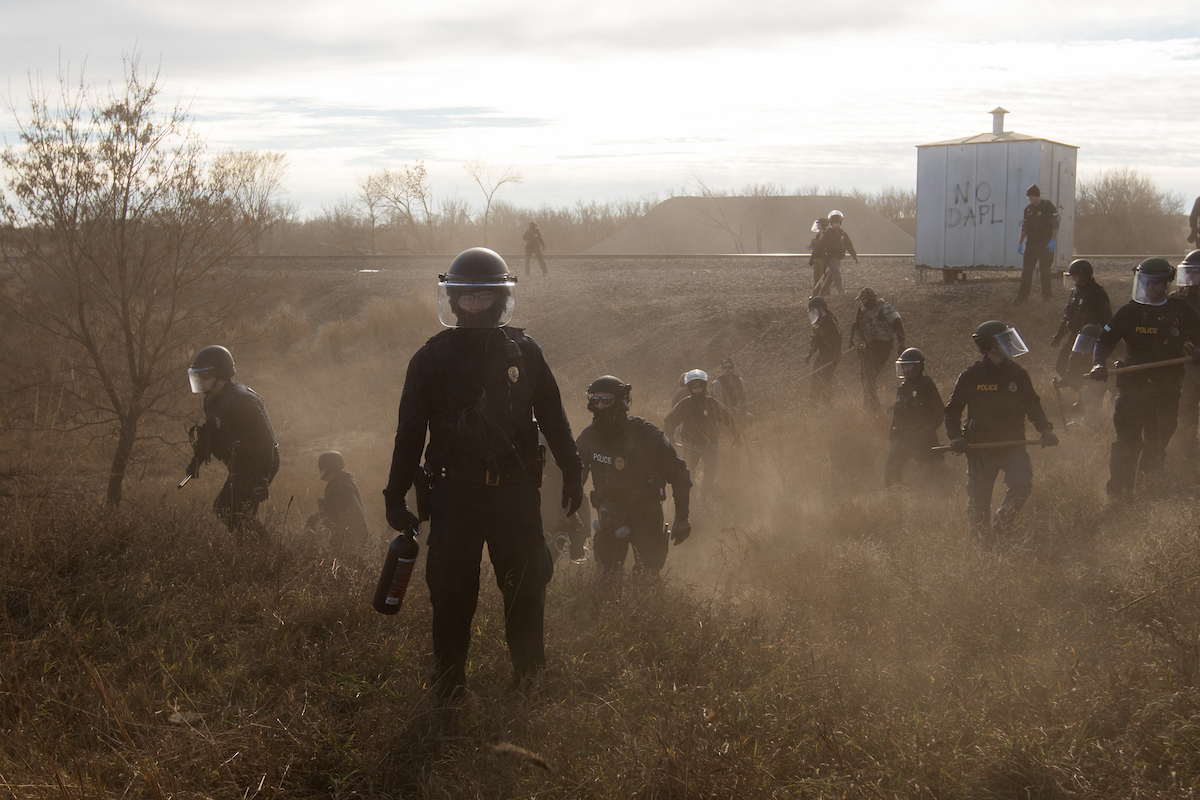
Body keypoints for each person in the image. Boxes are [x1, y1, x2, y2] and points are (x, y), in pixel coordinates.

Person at [382, 247, 584, 698]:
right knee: (451, 595)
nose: (475, 305)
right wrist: (394, 495)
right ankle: (449, 687)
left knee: (526, 590)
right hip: (455, 496)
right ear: (453, 300)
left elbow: (554, 417)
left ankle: (529, 683)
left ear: (501, 297)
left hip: (515, 495)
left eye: (485, 296)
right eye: (467, 297)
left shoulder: (526, 352)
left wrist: (573, 470)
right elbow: (409, 434)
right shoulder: (430, 359)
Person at [1088, 257, 1200, 497]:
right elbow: (1104, 340)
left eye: (1155, 282)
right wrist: (1098, 363)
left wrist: (1197, 350)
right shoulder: (1129, 312)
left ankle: (1148, 490)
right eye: (1145, 282)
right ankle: (1118, 494)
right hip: (1133, 388)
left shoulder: (1181, 311)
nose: (1150, 287)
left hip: (1167, 390)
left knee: (1158, 441)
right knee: (1126, 441)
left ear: (1166, 283)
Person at [944, 321, 1057, 541]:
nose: (1010, 343)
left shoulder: (1018, 373)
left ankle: (1001, 528)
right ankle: (981, 542)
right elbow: (952, 410)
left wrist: (1045, 430)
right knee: (979, 499)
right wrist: (956, 437)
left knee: (1022, 485)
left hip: (1013, 444)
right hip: (980, 448)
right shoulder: (971, 376)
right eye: (1004, 340)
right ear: (989, 346)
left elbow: (1032, 405)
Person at [576, 376, 692, 576]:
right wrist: (575, 519)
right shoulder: (589, 437)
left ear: (622, 401)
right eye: (595, 400)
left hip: (646, 517)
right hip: (609, 518)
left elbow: (679, 473)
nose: (600, 406)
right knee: (607, 577)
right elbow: (574, 480)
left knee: (649, 576)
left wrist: (682, 518)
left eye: (607, 400)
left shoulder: (646, 435)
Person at [186, 345, 280, 538]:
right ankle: (253, 549)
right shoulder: (211, 400)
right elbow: (211, 434)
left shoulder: (242, 401)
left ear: (221, 373)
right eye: (198, 376)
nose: (201, 381)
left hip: (259, 461)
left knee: (232, 511)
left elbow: (266, 442)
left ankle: (272, 551)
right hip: (240, 463)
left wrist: (262, 477)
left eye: (205, 375)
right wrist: (196, 461)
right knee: (228, 510)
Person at [664, 369, 741, 499]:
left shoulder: (712, 403)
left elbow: (728, 419)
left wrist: (736, 435)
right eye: (694, 387)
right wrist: (670, 439)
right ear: (690, 388)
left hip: (710, 443)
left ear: (704, 387)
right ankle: (691, 497)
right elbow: (669, 422)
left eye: (700, 386)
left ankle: (705, 496)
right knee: (689, 471)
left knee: (710, 469)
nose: (697, 389)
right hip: (690, 444)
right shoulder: (684, 404)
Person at [1050, 259, 1112, 420]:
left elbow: (1107, 319)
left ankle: (1089, 403)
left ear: (1084, 276)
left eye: (1076, 276)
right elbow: (1068, 317)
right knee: (1061, 365)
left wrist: (1104, 341)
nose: (1074, 280)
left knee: (1083, 368)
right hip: (1075, 336)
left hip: (1090, 338)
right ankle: (1083, 393)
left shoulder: (1097, 293)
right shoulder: (1075, 292)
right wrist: (1058, 335)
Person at [884, 348, 945, 487]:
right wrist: (892, 434)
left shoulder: (927, 385)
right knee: (891, 468)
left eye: (909, 366)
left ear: (918, 367)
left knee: (930, 473)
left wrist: (927, 430)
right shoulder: (903, 387)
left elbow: (940, 412)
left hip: (923, 439)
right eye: (904, 366)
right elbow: (898, 412)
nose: (906, 369)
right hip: (903, 438)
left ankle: (939, 495)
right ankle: (895, 496)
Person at [304, 451, 370, 558]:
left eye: (322, 468)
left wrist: (337, 539)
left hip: (349, 539)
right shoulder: (339, 483)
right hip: (348, 537)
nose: (320, 471)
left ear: (331, 468)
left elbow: (346, 516)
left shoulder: (342, 486)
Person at [849, 287, 906, 411]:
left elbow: (898, 326)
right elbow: (861, 331)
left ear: (870, 298)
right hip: (870, 347)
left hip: (882, 347)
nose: (862, 303)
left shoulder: (885, 308)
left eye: (864, 300)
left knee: (869, 376)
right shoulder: (864, 312)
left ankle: (873, 407)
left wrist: (901, 344)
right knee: (865, 376)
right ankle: (869, 404)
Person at [1171, 250, 1200, 459]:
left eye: (1195, 272)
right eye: (1187, 272)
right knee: (1186, 408)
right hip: (1189, 363)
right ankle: (1188, 454)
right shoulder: (1176, 298)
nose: (1189, 276)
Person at [1016, 184, 1060, 303]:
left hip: (1045, 244)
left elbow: (1055, 224)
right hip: (1031, 244)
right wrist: (1020, 243)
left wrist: (1053, 240)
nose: (1029, 199)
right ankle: (1022, 296)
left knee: (1045, 270)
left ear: (1036, 196)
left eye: (1030, 197)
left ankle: (1047, 295)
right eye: (1028, 197)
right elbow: (1024, 228)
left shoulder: (1048, 206)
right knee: (1027, 271)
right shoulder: (1028, 209)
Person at [805, 296, 842, 408]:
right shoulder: (818, 323)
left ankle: (828, 405)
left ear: (820, 308)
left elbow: (838, 337)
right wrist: (810, 354)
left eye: (814, 310)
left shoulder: (831, 320)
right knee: (815, 378)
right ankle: (813, 404)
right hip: (822, 353)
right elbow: (815, 341)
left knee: (825, 379)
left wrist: (836, 353)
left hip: (831, 354)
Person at [813, 210, 858, 296]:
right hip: (831, 259)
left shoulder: (842, 233)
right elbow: (820, 245)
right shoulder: (828, 233)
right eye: (834, 223)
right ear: (831, 223)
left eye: (837, 222)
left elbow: (848, 245)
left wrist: (854, 255)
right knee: (837, 276)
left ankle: (820, 296)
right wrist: (813, 257)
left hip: (839, 259)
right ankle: (842, 294)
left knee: (829, 280)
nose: (836, 224)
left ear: (840, 223)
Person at [808, 217, 831, 296]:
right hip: (817, 257)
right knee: (816, 276)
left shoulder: (827, 235)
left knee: (824, 276)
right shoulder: (818, 235)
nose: (817, 226)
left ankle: (826, 293)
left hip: (823, 258)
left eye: (819, 224)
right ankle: (816, 293)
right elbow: (815, 247)